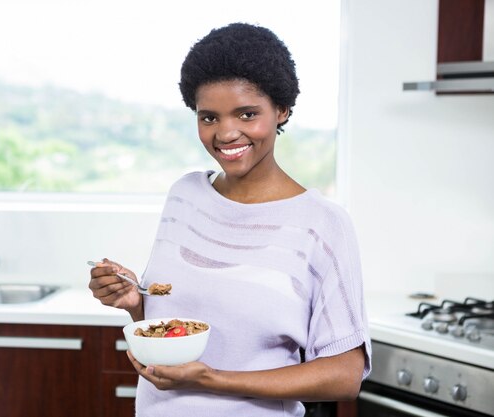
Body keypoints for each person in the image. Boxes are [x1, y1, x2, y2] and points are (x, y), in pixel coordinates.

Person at [89, 22, 370, 417]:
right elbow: (175, 330)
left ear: (282, 110)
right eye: (209, 118)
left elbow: (345, 375)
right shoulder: (184, 195)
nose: (225, 133)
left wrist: (212, 380)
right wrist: (136, 305)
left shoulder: (321, 224)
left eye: (247, 113)